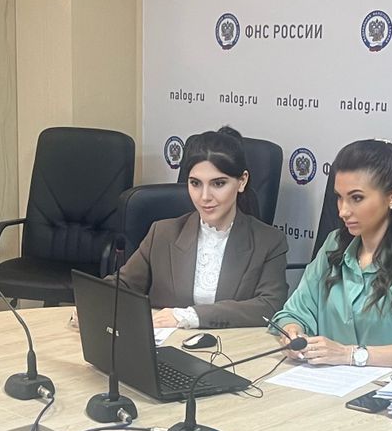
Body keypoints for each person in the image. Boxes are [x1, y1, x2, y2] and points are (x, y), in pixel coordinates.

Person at [271, 139, 392, 367]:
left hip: (389, 385)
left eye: (357, 198)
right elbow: (293, 312)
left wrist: (351, 355)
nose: (343, 211)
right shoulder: (333, 244)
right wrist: (293, 332)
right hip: (324, 381)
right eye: (339, 197)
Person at [117, 126, 289, 328]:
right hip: (166, 344)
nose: (205, 196)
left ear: (242, 181)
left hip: (232, 345)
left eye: (218, 184)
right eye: (195, 183)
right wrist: (94, 300)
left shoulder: (269, 241)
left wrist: (190, 316)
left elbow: (270, 306)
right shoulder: (162, 233)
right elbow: (122, 286)